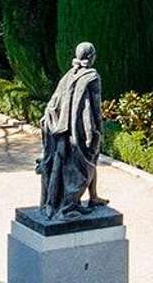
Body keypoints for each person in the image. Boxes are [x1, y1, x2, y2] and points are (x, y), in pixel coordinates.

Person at [36, 42, 105, 217]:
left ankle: (93, 196)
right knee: (86, 164)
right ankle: (70, 203)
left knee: (88, 162)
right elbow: (96, 107)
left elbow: (54, 102)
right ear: (91, 57)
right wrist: (98, 130)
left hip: (62, 129)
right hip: (81, 130)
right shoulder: (92, 76)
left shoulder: (69, 75)